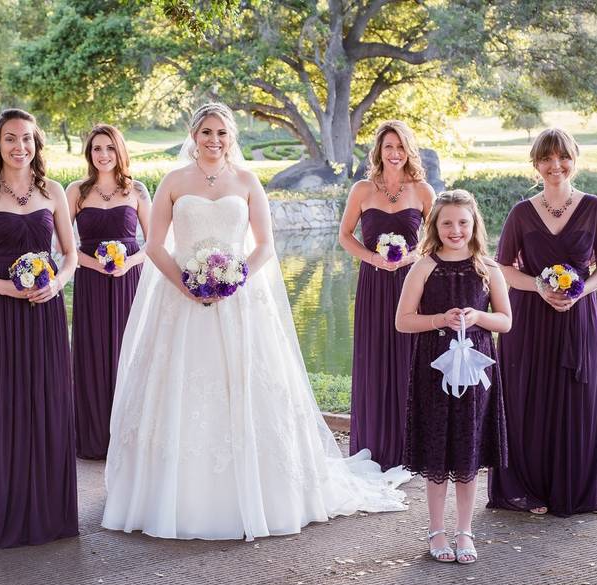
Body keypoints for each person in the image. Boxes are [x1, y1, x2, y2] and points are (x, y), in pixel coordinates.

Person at [102, 103, 410, 541]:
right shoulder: (173, 182)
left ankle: (260, 494)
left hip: (237, 300)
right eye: (206, 132)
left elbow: (265, 245)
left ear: (232, 138)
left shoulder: (247, 182)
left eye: (222, 133)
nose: (214, 141)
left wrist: (233, 279)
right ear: (194, 135)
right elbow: (154, 246)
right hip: (181, 302)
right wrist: (187, 285)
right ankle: (169, 496)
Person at [0, 108, 80, 547]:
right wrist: (6, 289)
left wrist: (57, 284)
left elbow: (71, 255)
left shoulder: (54, 191)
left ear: (36, 144)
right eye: (11, 138)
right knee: (7, 406)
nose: (19, 146)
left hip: (46, 311)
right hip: (2, 313)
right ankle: (7, 514)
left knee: (48, 403)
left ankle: (51, 514)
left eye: (27, 138)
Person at [487, 128, 597, 517]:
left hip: (579, 320)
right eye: (546, 159)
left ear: (574, 159)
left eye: (563, 158)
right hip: (528, 320)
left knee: (577, 402)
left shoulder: (596, 208)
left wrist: (581, 291)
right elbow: (504, 269)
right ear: (536, 164)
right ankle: (525, 490)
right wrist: (539, 288)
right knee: (527, 402)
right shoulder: (520, 213)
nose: (555, 166)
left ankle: (574, 491)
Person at [396, 189, 511, 564]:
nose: (455, 229)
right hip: (434, 366)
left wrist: (478, 318)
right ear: (435, 225)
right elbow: (402, 321)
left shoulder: (487, 267)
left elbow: (506, 321)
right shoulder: (424, 266)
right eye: (447, 222)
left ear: (474, 224)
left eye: (463, 222)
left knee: (467, 450)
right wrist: (439, 320)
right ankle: (436, 529)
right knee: (437, 449)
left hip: (475, 371)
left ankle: (464, 531)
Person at [339, 120, 434, 470]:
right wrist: (374, 259)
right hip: (374, 284)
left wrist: (408, 258)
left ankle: (412, 447)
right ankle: (374, 444)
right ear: (378, 151)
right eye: (388, 147)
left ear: (409, 150)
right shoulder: (362, 190)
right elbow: (345, 235)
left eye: (400, 147)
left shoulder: (423, 191)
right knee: (375, 358)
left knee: (410, 360)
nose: (394, 154)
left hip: (412, 283)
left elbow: (434, 240)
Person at [65, 124, 150, 459]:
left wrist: (129, 263)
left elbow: (155, 242)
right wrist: (91, 262)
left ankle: (128, 440)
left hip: (128, 281)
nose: (103, 155)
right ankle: (94, 437)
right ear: (89, 154)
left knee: (127, 353)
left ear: (120, 152)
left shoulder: (137, 190)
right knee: (92, 353)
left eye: (110, 148)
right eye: (97, 149)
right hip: (90, 281)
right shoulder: (76, 191)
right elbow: (64, 243)